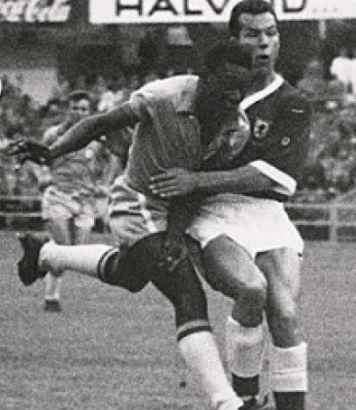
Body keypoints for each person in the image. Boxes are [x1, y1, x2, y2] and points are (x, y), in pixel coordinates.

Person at [11, 40, 263, 410]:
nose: (235, 96)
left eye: (242, 88)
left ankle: (46, 253)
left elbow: (197, 185)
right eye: (228, 85)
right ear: (205, 77)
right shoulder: (164, 96)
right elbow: (102, 123)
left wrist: (175, 232)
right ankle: (227, 402)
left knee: (130, 275)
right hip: (137, 202)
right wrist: (52, 152)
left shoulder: (235, 128)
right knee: (187, 293)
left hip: (174, 211)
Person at [148, 3, 312, 409]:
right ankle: (246, 398)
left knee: (285, 314)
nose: (264, 43)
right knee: (252, 289)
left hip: (267, 213)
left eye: (271, 33)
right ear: (234, 40)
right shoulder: (206, 94)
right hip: (212, 212)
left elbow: (271, 176)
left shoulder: (292, 102)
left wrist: (196, 179)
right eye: (253, 34)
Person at [33, 90, 103, 312]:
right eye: (75, 108)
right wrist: (43, 174)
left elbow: (110, 161)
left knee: (76, 252)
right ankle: (51, 299)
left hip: (85, 199)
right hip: (59, 196)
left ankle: (37, 249)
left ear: (89, 112)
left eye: (84, 109)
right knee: (63, 249)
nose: (79, 112)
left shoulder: (96, 138)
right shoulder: (53, 135)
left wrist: (104, 182)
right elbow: (38, 158)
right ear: (68, 109)